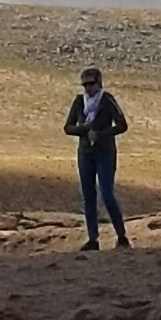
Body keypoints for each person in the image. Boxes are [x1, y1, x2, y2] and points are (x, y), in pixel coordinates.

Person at [62, 65, 131, 250]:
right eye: (84, 85)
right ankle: (93, 238)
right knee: (88, 195)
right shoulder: (79, 102)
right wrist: (84, 129)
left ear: (99, 83)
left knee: (107, 193)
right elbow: (68, 127)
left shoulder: (107, 100)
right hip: (85, 153)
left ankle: (121, 236)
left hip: (105, 152)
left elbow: (122, 125)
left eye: (91, 84)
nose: (87, 89)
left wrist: (101, 133)